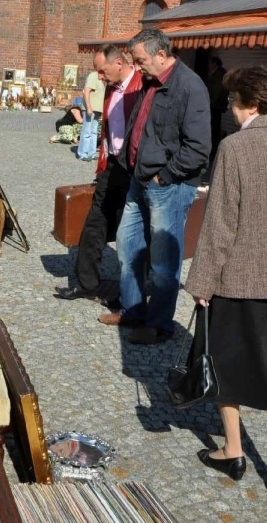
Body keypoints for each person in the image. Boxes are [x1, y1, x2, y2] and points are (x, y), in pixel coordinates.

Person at [184, 66, 267, 498]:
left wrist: (201, 282)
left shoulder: (236, 148)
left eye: (233, 101)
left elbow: (220, 224)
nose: (230, 109)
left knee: (224, 362)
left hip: (238, 278)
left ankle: (233, 450)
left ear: (252, 104)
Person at [98, 27, 210, 344]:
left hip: (169, 187)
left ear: (161, 55)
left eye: (141, 59)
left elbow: (199, 148)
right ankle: (133, 310)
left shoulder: (190, 87)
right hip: (140, 180)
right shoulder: (151, 80)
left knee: (163, 263)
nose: (137, 65)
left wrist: (165, 175)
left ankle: (160, 324)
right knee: (128, 246)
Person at [55, 45, 143, 301]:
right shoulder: (111, 88)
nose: (100, 77)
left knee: (130, 233)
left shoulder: (140, 86)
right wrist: (103, 162)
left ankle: (133, 294)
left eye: (102, 71)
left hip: (133, 169)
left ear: (119, 63)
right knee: (94, 225)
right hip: (112, 165)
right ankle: (86, 283)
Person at [77, 65, 106, 161]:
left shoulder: (102, 80)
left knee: (94, 132)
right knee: (87, 131)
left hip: (97, 110)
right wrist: (89, 108)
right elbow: (86, 91)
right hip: (90, 109)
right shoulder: (93, 76)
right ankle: (83, 154)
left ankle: (91, 153)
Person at [206, 54, 227, 161]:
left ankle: (214, 152)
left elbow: (216, 92)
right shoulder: (219, 73)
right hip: (216, 106)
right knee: (215, 128)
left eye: (210, 63)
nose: (209, 65)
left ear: (214, 63)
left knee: (214, 129)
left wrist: (209, 104)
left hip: (215, 106)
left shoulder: (219, 74)